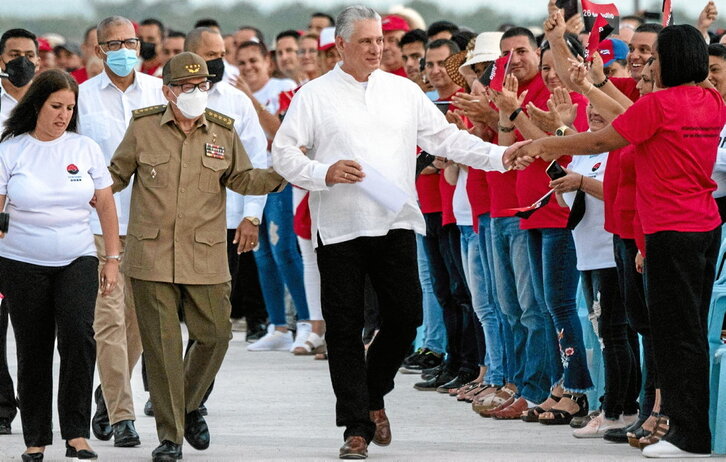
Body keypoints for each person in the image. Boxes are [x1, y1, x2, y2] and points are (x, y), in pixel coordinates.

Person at [271, 6, 526, 459]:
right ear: (342, 45)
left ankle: (371, 396)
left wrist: (499, 156)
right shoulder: (314, 95)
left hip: (395, 221)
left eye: (379, 41)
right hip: (340, 227)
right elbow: (283, 154)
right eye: (366, 41)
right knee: (345, 328)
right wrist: (323, 172)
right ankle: (355, 427)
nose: (376, 49)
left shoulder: (404, 92)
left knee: (406, 317)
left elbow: (446, 141)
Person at [512, 24, 725, 458]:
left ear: (675, 60)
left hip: (670, 229)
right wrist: (589, 88)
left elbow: (600, 138)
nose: (650, 65)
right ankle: (691, 429)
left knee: (673, 336)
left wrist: (543, 145)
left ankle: (688, 436)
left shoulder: (661, 105)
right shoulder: (710, 101)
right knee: (689, 335)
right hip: (703, 226)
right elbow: (625, 116)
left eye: (657, 58)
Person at [108, 51, 285, 462]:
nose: (195, 93)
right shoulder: (143, 128)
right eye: (186, 87)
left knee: (216, 336)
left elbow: (244, 177)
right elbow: (114, 176)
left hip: (205, 256)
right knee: (164, 350)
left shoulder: (222, 131)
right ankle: (170, 438)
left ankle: (187, 406)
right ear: (168, 90)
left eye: (202, 85)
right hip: (151, 256)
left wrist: (288, 172)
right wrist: (75, 191)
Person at [0, 68, 120, 462]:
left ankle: (76, 434)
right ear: (37, 104)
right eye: (56, 106)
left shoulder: (84, 148)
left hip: (77, 256)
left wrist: (113, 259)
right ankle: (36, 438)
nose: (63, 114)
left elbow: (104, 204)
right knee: (33, 347)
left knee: (79, 337)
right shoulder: (10, 149)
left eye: (70, 107)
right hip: (21, 260)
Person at [77, 15, 165, 448]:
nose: (124, 50)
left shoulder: (159, 92)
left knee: (137, 327)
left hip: (151, 225)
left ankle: (107, 392)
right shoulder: (80, 98)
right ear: (99, 51)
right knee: (108, 321)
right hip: (98, 228)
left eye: (130, 42)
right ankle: (122, 415)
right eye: (113, 44)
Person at [184, 27, 270, 343]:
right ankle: (163, 388)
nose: (219, 62)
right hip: (174, 223)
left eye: (222, 55)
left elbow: (256, 161)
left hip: (225, 223)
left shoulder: (238, 102)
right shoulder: (163, 99)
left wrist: (252, 215)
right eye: (211, 56)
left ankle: (194, 389)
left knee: (213, 316)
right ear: (190, 58)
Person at [0, 27, 39, 437]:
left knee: (33, 328)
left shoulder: (53, 107)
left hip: (36, 232)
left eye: (29, 54)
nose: (22, 62)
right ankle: (0, 405)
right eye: (14, 54)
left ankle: (37, 405)